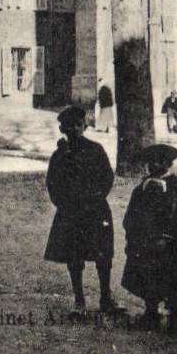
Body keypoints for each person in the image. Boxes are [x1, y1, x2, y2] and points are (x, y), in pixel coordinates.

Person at [43, 105, 118, 315]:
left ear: (84, 126)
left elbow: (107, 177)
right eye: (70, 126)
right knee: (74, 256)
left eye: (79, 125)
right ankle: (79, 299)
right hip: (71, 212)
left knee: (103, 255)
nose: (75, 129)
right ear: (63, 129)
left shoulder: (96, 150)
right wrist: (63, 203)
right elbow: (53, 183)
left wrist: (97, 196)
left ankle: (106, 296)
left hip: (95, 209)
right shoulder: (60, 156)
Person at [121, 143, 177, 334]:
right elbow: (131, 216)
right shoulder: (141, 190)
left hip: (168, 245)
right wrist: (134, 236)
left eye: (159, 162)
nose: (154, 166)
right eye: (150, 163)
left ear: (168, 164)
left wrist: (168, 238)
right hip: (144, 243)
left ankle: (174, 316)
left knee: (171, 279)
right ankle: (151, 312)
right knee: (147, 277)